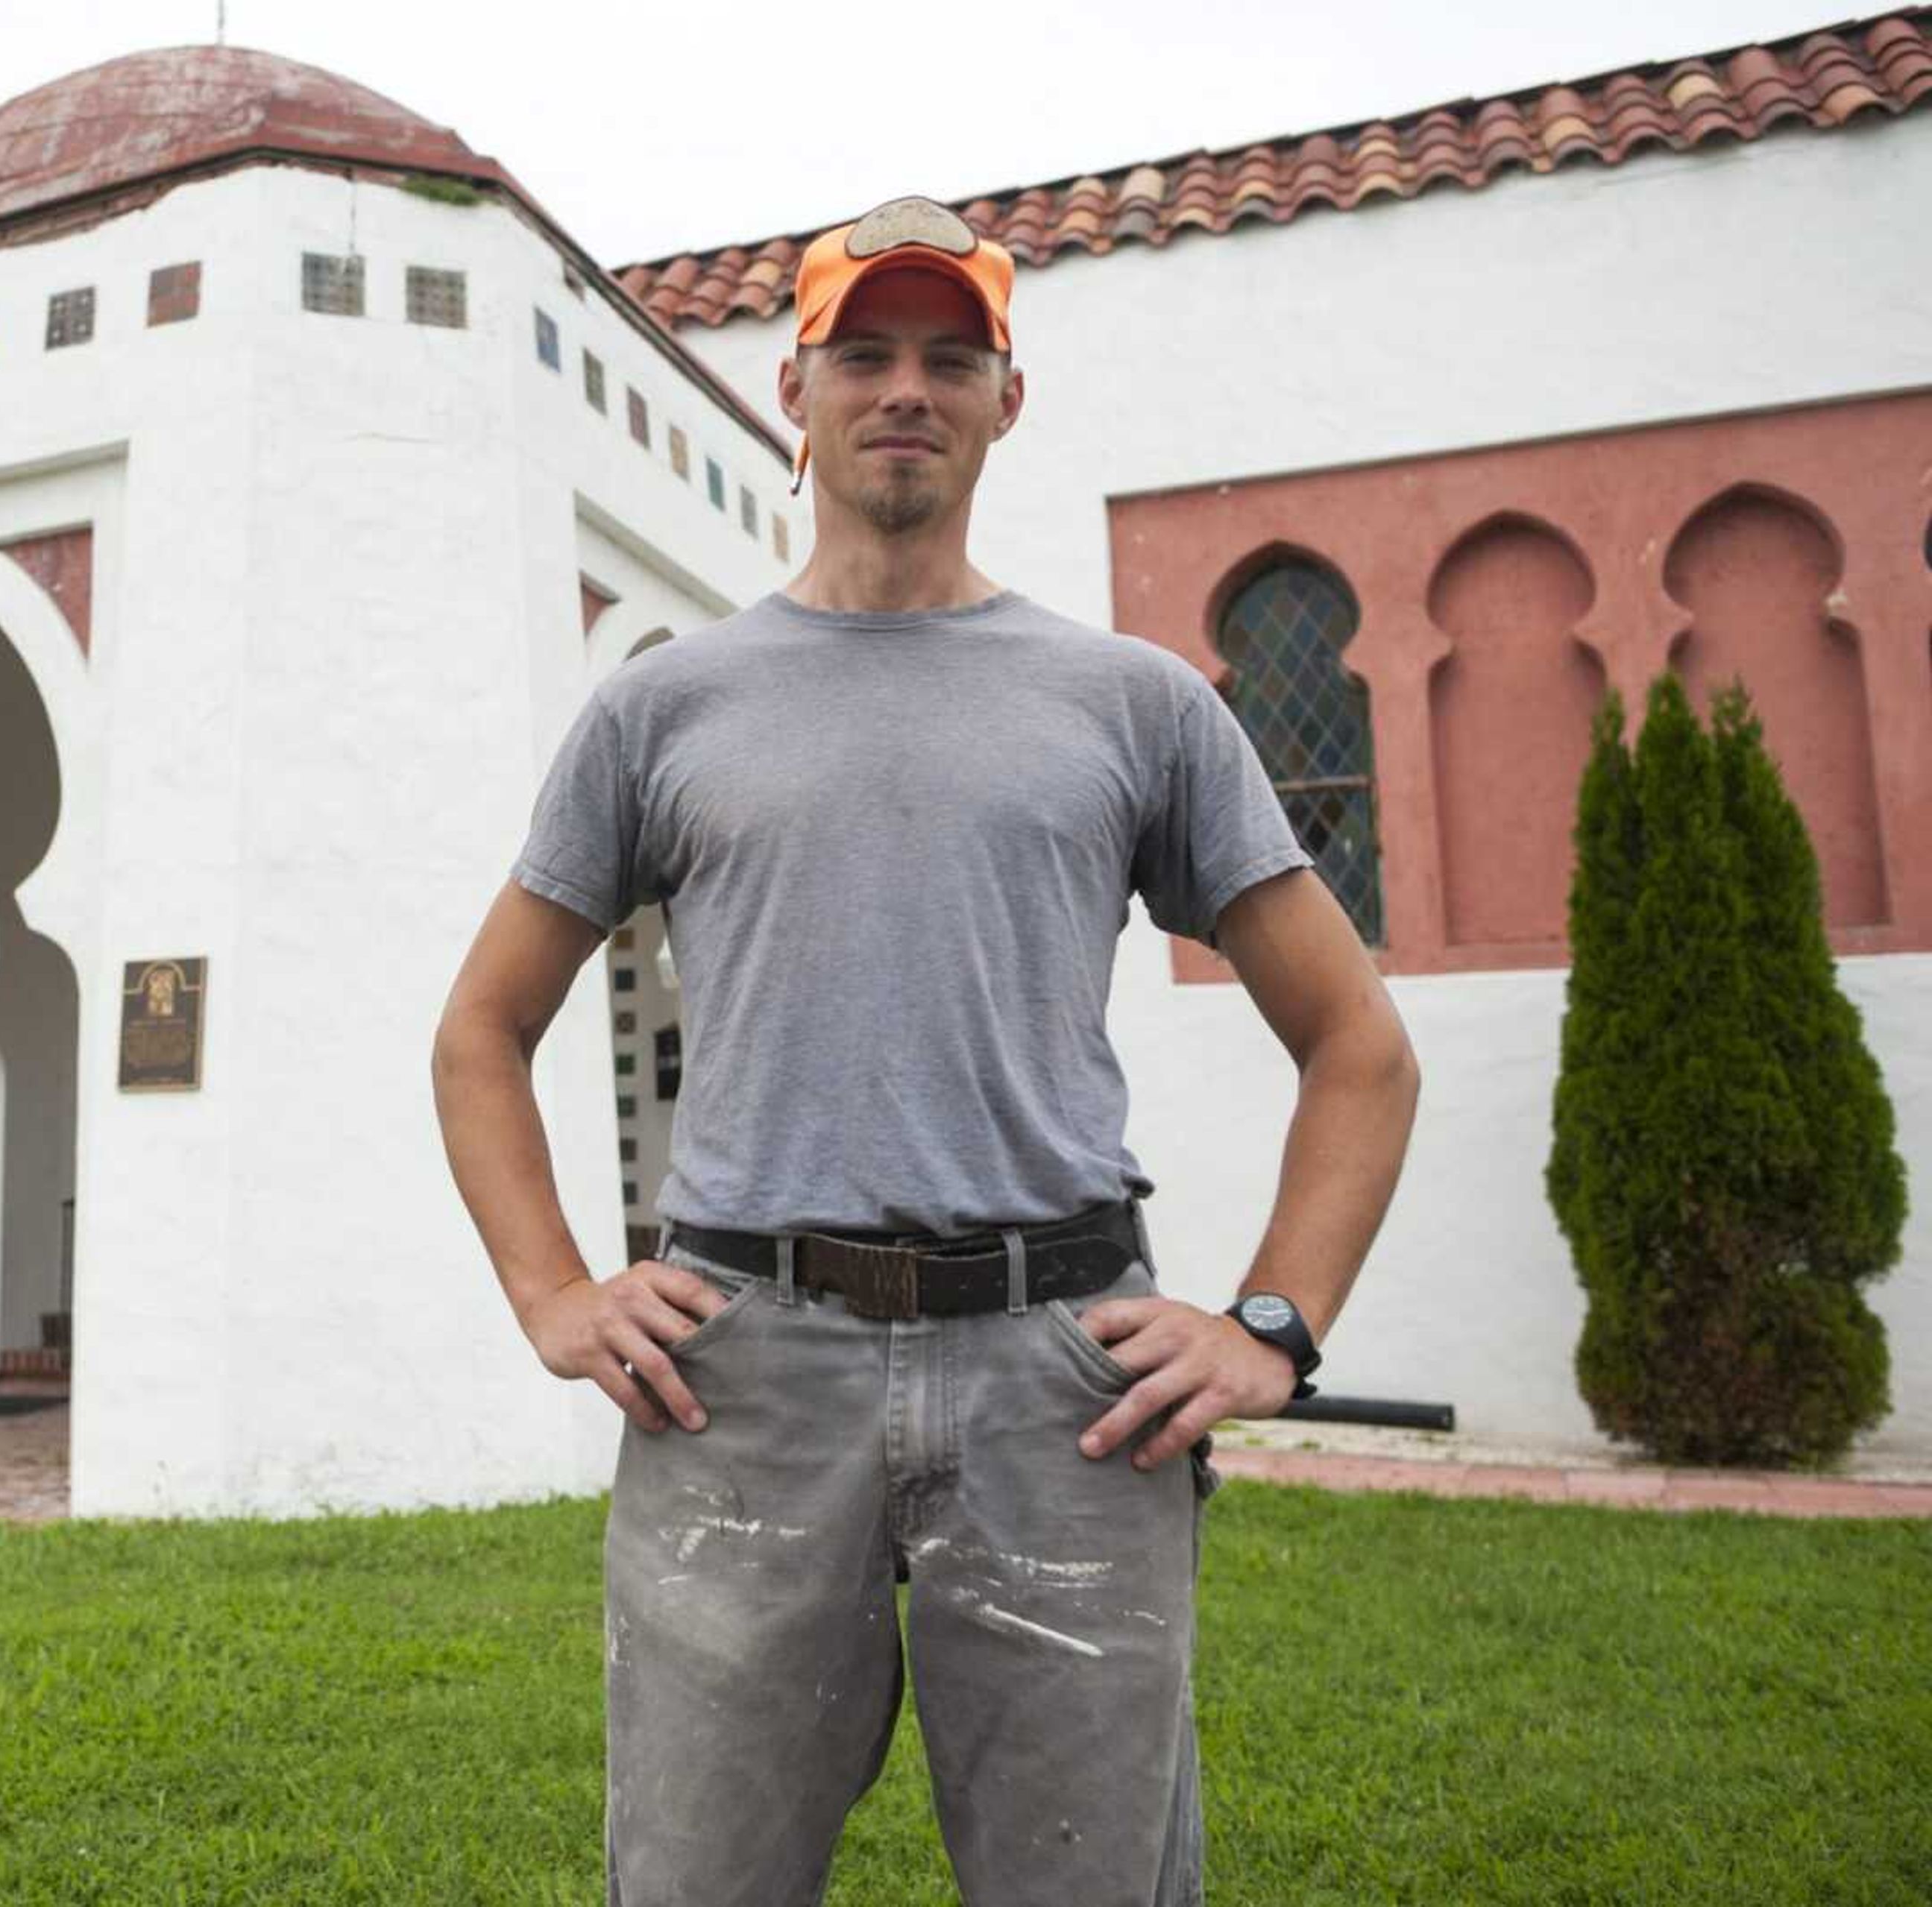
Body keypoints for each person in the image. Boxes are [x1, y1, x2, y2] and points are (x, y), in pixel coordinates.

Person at [430, 194, 1420, 1905]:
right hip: (741, 1378)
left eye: (950, 357)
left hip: (1067, 1386)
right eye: (866, 354)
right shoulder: (666, 710)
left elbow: (1358, 1045)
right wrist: (553, 1291)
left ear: (1004, 400)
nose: (908, 388)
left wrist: (1272, 1325)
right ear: (792, 394)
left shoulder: (1136, 706)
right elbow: (481, 1031)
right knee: (697, 1880)